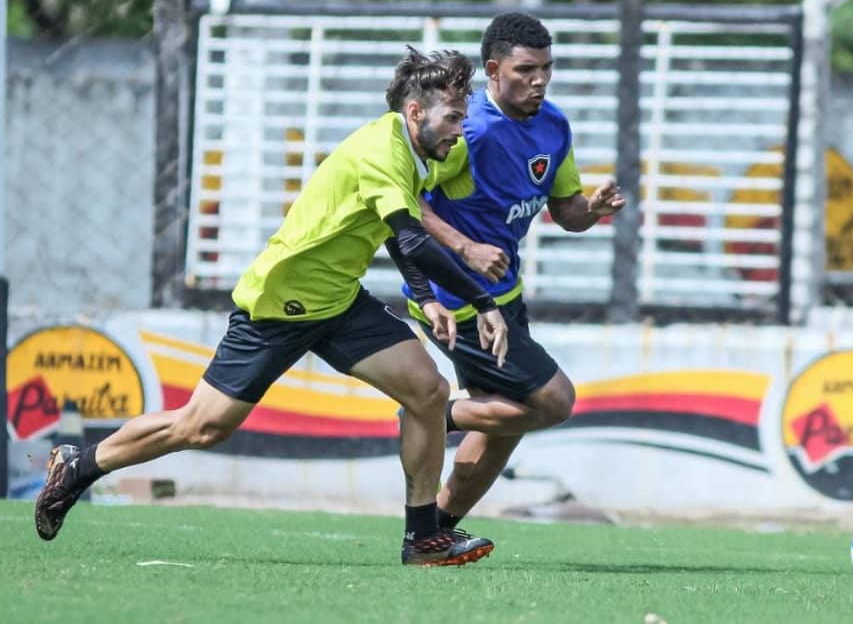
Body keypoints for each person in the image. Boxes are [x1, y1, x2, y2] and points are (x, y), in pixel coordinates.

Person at [35, 46, 510, 567]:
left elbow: (395, 233)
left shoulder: (414, 152)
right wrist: (481, 301)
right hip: (280, 302)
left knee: (428, 390)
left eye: (463, 118)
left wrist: (422, 294)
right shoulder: (383, 149)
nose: (459, 129)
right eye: (453, 118)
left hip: (338, 300)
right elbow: (414, 239)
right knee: (202, 426)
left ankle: (422, 537)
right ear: (416, 112)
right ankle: (80, 465)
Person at [406, 12, 625, 529]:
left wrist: (592, 209)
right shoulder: (470, 132)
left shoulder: (554, 125)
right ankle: (435, 415)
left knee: (504, 427)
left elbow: (567, 213)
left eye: (547, 68)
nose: (540, 80)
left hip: (504, 297)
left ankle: (436, 531)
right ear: (493, 70)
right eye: (527, 69)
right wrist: (466, 249)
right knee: (554, 400)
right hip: (454, 298)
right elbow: (409, 203)